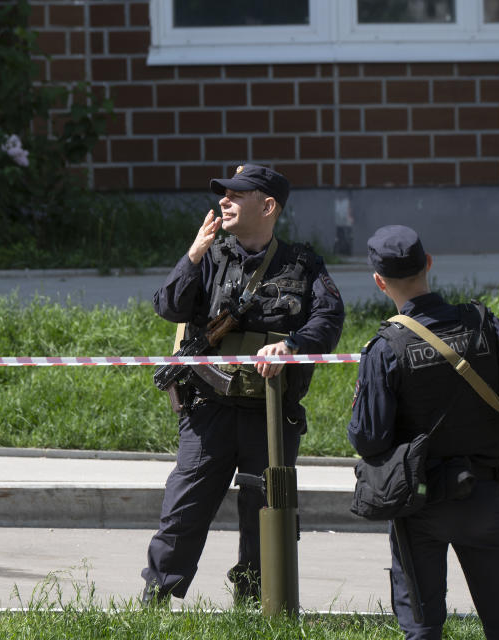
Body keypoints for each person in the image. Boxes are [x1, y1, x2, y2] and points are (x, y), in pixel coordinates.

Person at [142, 164, 345, 605]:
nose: (224, 201)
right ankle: (156, 598)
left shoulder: (303, 264)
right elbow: (169, 307)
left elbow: (329, 318)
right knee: (185, 507)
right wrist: (193, 254)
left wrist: (292, 345)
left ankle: (256, 603)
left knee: (266, 512)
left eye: (236, 195)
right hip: (208, 410)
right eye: (223, 195)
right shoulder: (211, 257)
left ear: (268, 206)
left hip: (271, 413)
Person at [347, 225, 499, 640]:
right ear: (428, 263)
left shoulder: (386, 348)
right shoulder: (483, 325)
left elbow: (368, 438)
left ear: (378, 282)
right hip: (484, 495)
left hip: (418, 504)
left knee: (422, 626)